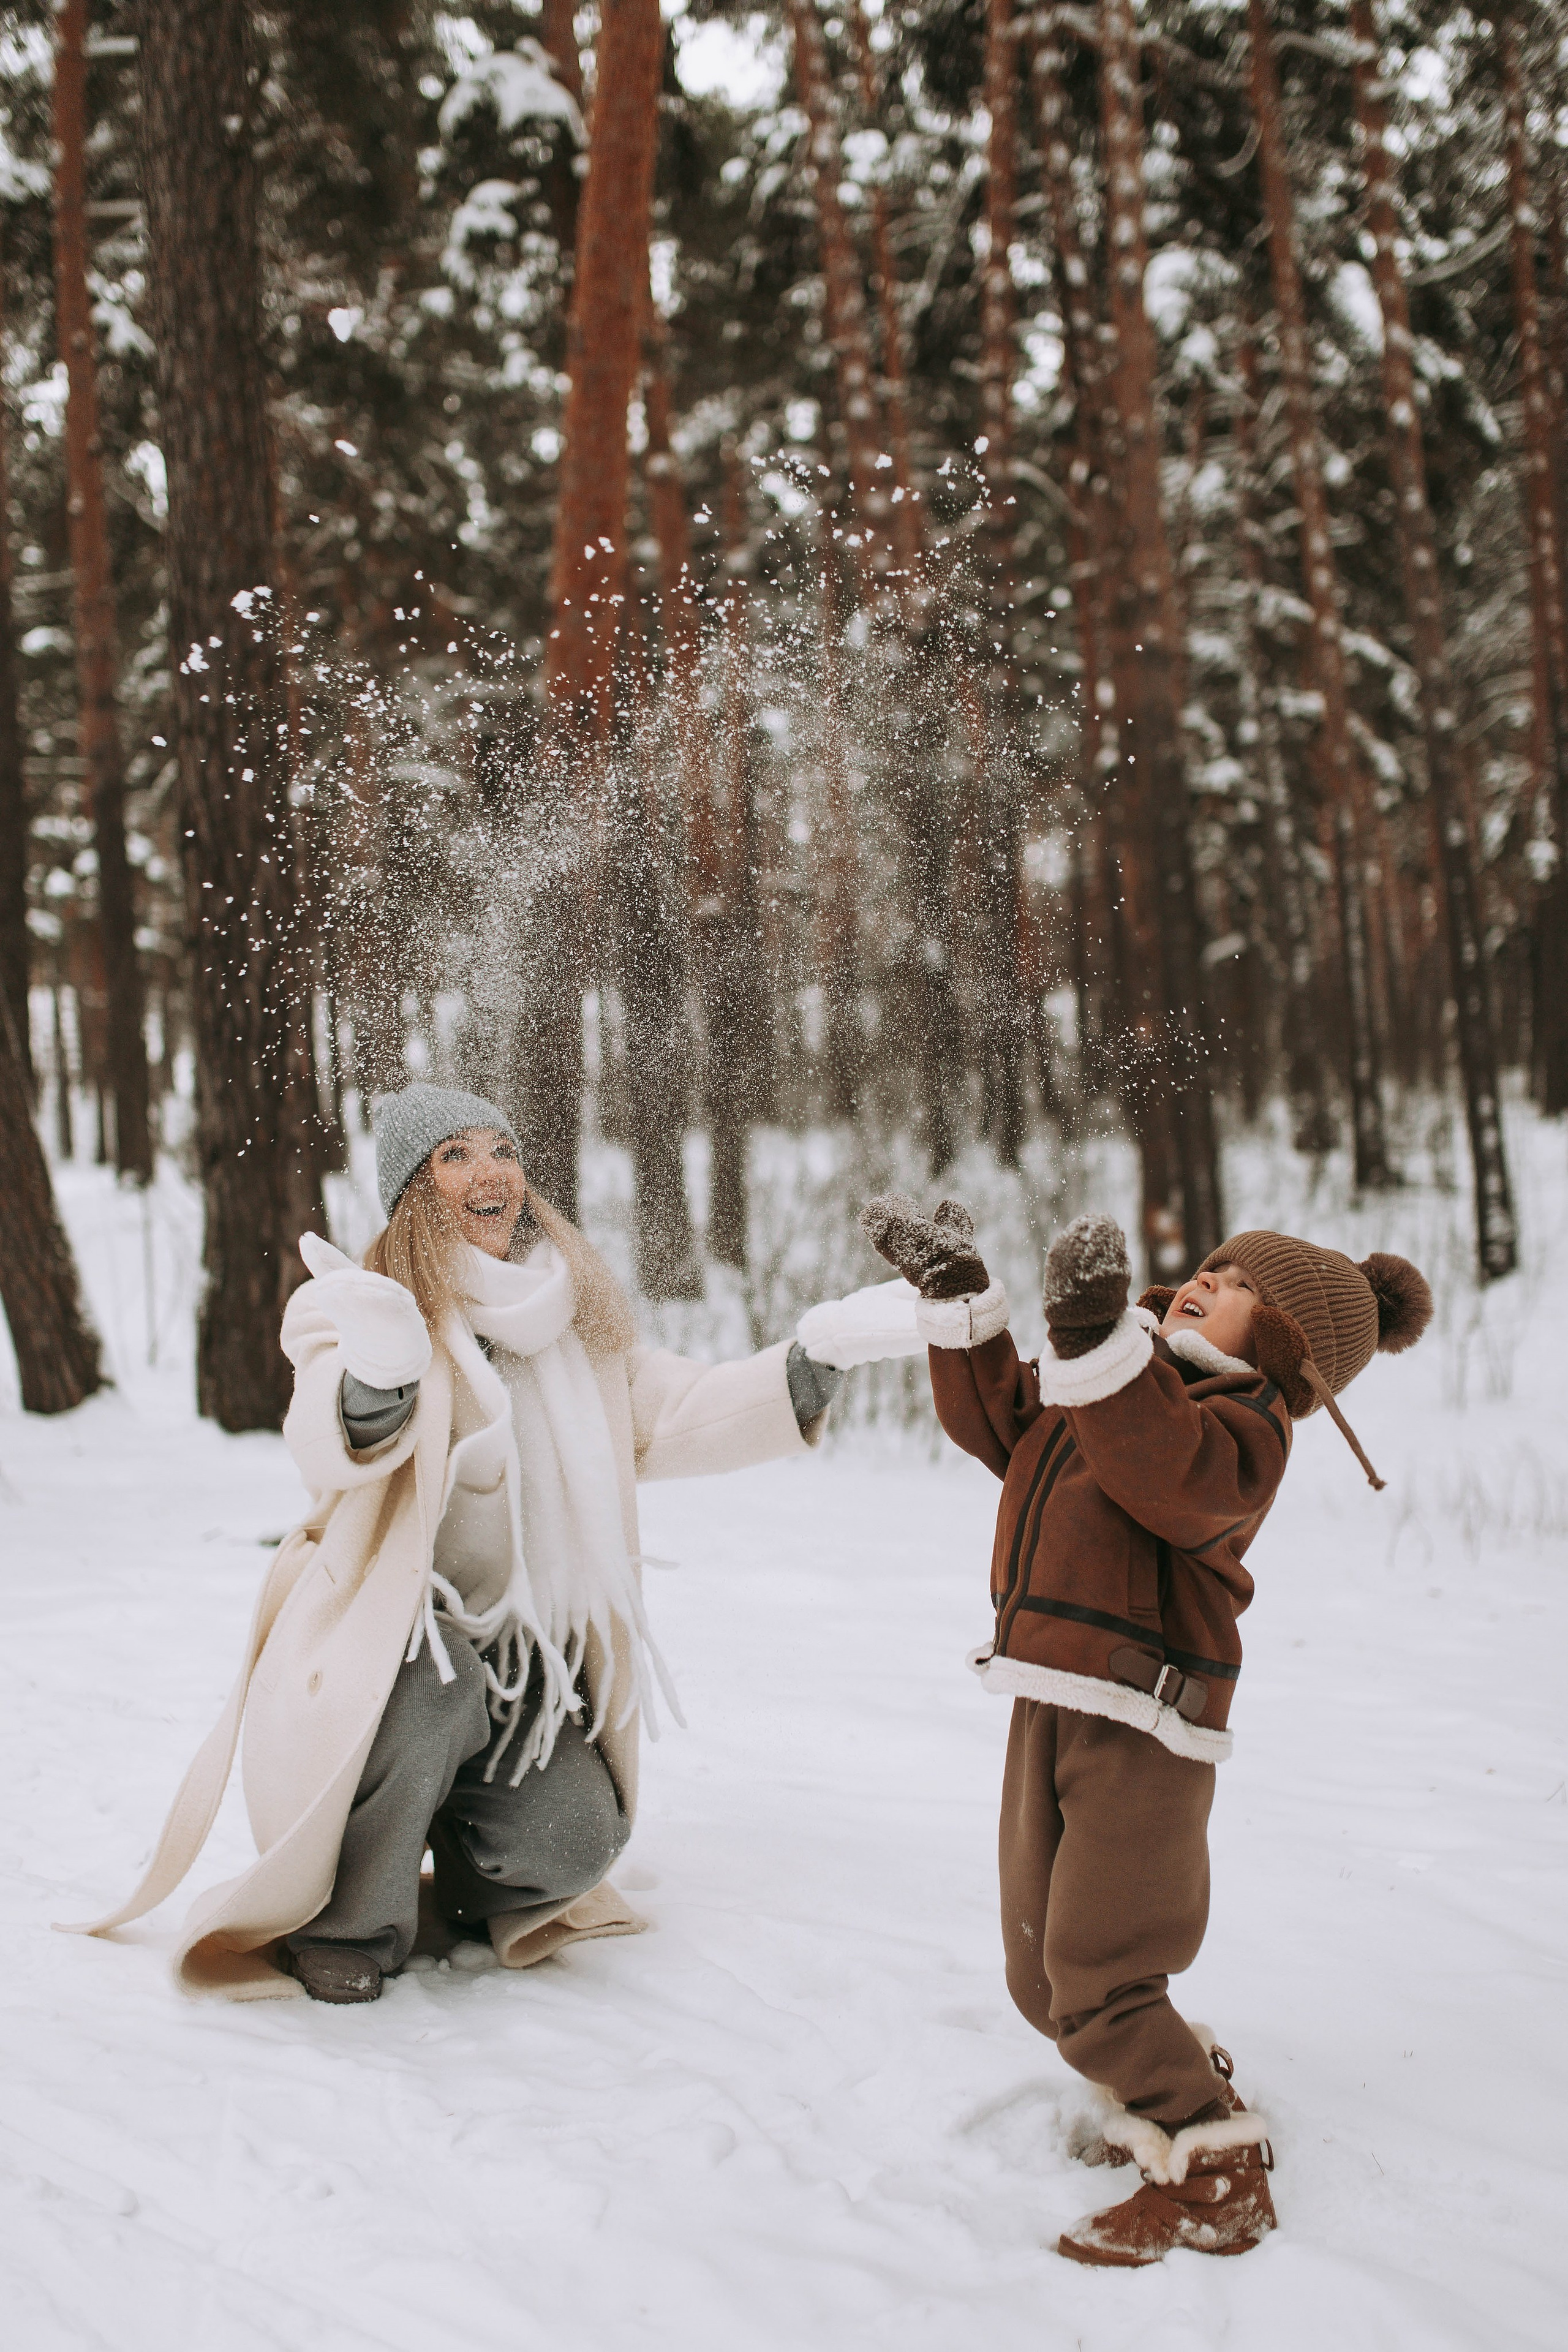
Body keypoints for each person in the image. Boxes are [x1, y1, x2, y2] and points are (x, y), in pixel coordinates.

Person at [69, 1083, 845, 2005]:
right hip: (390, 1662)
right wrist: (382, 1376)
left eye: (501, 1150)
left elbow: (670, 1410)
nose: (489, 1174)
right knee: (440, 1683)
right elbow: (326, 1436)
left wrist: (807, 1368)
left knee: (577, 1843)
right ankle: (349, 1919)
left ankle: (466, 1876)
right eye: (454, 1156)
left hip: (522, 1668)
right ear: (412, 1190)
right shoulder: (362, 1311)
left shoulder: (572, 1320)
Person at [831, 1196, 1431, 2268]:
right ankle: (1169, 2086)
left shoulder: (1241, 1425)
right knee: (1040, 1976)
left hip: (1149, 1719)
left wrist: (1096, 1340)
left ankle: (1218, 2170)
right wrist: (961, 1294)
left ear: (1287, 1346)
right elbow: (1004, 1422)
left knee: (1101, 1977)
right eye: (1213, 1265)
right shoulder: (1113, 1380)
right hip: (1051, 1689)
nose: (1209, 1282)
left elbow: (1165, 1473)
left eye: (1247, 1289)